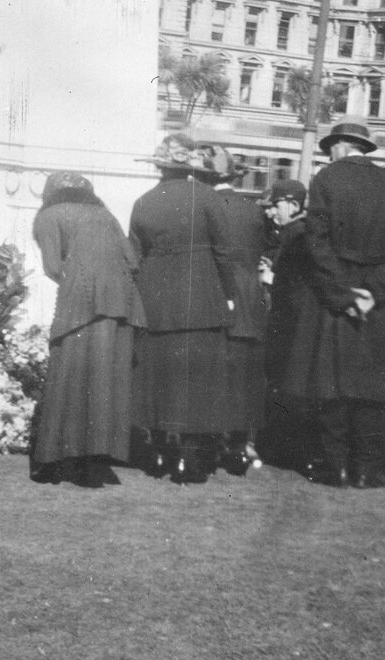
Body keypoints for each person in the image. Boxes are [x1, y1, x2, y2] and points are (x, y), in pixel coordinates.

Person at [280, 121, 385, 488]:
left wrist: (344, 295)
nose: (329, 154)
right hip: (381, 302)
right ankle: (367, 469)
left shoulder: (326, 180)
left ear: (340, 146)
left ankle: (335, 466)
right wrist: (375, 292)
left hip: (333, 298)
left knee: (333, 386)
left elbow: (317, 245)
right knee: (373, 388)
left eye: (330, 148)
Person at [129, 136, 239, 482]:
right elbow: (224, 251)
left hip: (156, 301)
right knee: (197, 381)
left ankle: (160, 455)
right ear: (190, 166)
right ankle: (190, 463)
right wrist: (230, 293)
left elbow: (135, 255)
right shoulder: (208, 198)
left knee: (158, 380)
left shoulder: (143, 202)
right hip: (202, 299)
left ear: (160, 165)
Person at [28, 172, 146, 485]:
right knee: (106, 382)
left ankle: (51, 460)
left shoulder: (49, 216)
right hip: (121, 303)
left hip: (79, 302)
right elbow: (132, 260)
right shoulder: (105, 215)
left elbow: (53, 267)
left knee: (66, 378)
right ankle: (94, 462)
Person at [195, 145, 267, 475]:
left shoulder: (202, 207)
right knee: (244, 378)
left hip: (216, 296)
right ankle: (240, 448)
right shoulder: (252, 209)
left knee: (211, 375)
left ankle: (209, 447)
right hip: (249, 301)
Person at [258, 177, 319, 471]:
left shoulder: (297, 235)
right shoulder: (293, 232)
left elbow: (296, 285)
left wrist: (272, 278)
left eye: (276, 205)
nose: (271, 212)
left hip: (291, 325)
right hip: (292, 323)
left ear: (293, 205)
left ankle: (286, 450)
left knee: (287, 387)